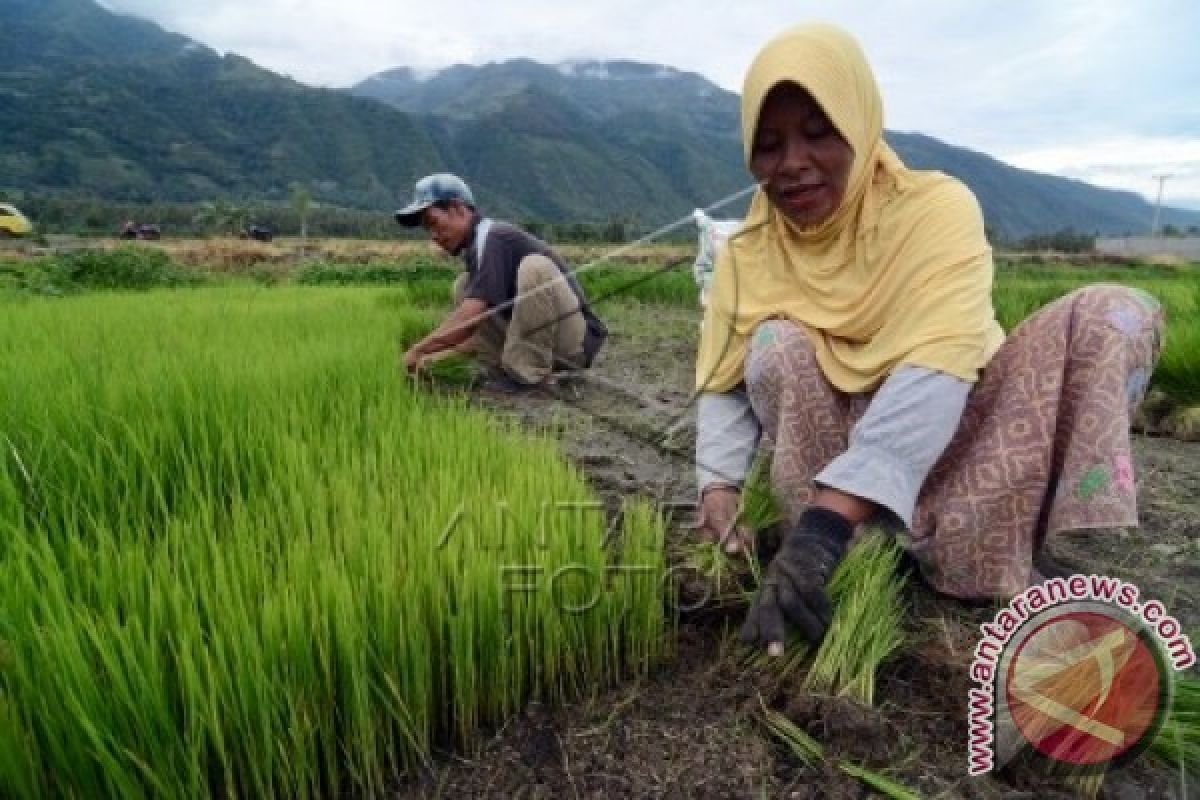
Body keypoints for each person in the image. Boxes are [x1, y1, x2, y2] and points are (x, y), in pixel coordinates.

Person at [693, 24, 1164, 654]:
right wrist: (717, 490)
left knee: (1116, 312)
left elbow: (938, 367)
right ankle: (857, 550)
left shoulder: (934, 209)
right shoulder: (751, 247)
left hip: (961, 442)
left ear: (859, 125)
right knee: (774, 342)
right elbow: (724, 380)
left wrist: (819, 534)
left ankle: (972, 550)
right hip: (833, 454)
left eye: (818, 131)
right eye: (769, 144)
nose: (793, 163)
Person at [395, 173, 608, 392]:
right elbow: (474, 335)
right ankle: (506, 366)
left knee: (535, 267)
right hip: (548, 341)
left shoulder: (494, 237)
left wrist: (415, 352)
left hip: (575, 344)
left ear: (458, 209)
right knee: (464, 285)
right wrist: (430, 359)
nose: (433, 235)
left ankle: (530, 374)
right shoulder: (476, 250)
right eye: (427, 229)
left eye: (434, 223)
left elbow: (470, 316)